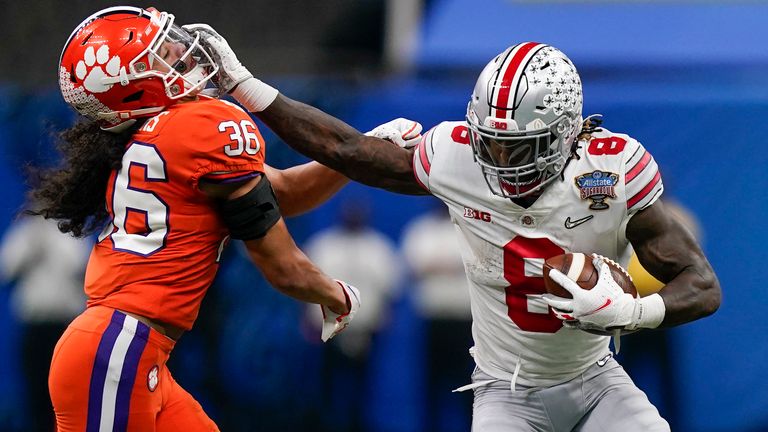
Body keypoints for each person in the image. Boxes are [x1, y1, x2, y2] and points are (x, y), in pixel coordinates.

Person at [191, 29, 722, 431]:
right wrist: (245, 86)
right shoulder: (458, 156)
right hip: (504, 391)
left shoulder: (612, 173)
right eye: (489, 140)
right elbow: (346, 151)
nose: (496, 157)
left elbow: (701, 283)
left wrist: (633, 312)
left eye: (516, 146)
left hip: (597, 381)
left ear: (564, 134)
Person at [34, 7, 364, 431]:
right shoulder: (200, 126)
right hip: (118, 350)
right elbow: (282, 266)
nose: (179, 51)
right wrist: (337, 295)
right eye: (159, 55)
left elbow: (282, 194)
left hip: (131, 350)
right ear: (132, 88)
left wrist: (355, 155)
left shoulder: (163, 136)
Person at [304, 196, 401, 432]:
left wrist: (386, 318)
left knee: (364, 385)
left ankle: (359, 425)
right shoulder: (323, 245)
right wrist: (307, 321)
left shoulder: (379, 248)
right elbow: (306, 286)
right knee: (327, 383)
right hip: (328, 328)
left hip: (366, 328)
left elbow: (391, 289)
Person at [0, 215, 90, 431]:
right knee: (36, 393)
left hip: (65, 328)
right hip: (35, 327)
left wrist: (52, 237)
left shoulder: (72, 232)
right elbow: (6, 269)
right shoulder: (26, 231)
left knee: (66, 396)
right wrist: (33, 237)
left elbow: (77, 266)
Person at [400, 200, 473, 432]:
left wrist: (437, 265)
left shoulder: (470, 229)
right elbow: (414, 266)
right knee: (431, 384)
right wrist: (453, 265)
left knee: (469, 385)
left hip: (466, 324)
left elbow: (478, 263)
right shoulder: (420, 230)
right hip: (434, 321)